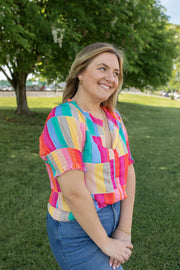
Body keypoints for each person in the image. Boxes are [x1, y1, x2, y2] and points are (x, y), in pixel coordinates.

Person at [39, 42, 136, 270]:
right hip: (76, 231)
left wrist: (124, 230)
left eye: (116, 73)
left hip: (112, 223)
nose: (111, 78)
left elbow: (128, 171)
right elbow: (73, 192)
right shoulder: (64, 119)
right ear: (80, 72)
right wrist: (106, 244)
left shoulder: (114, 117)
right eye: (102, 68)